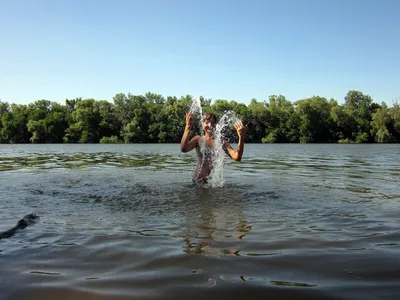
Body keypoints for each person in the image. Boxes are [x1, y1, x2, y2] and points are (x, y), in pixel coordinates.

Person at [180, 112, 245, 184]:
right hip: (197, 183)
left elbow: (237, 157)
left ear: (216, 125)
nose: (210, 125)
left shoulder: (221, 141)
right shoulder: (198, 139)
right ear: (202, 124)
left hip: (213, 185)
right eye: (207, 122)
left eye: (213, 123)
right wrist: (188, 126)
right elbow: (184, 149)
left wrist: (241, 137)